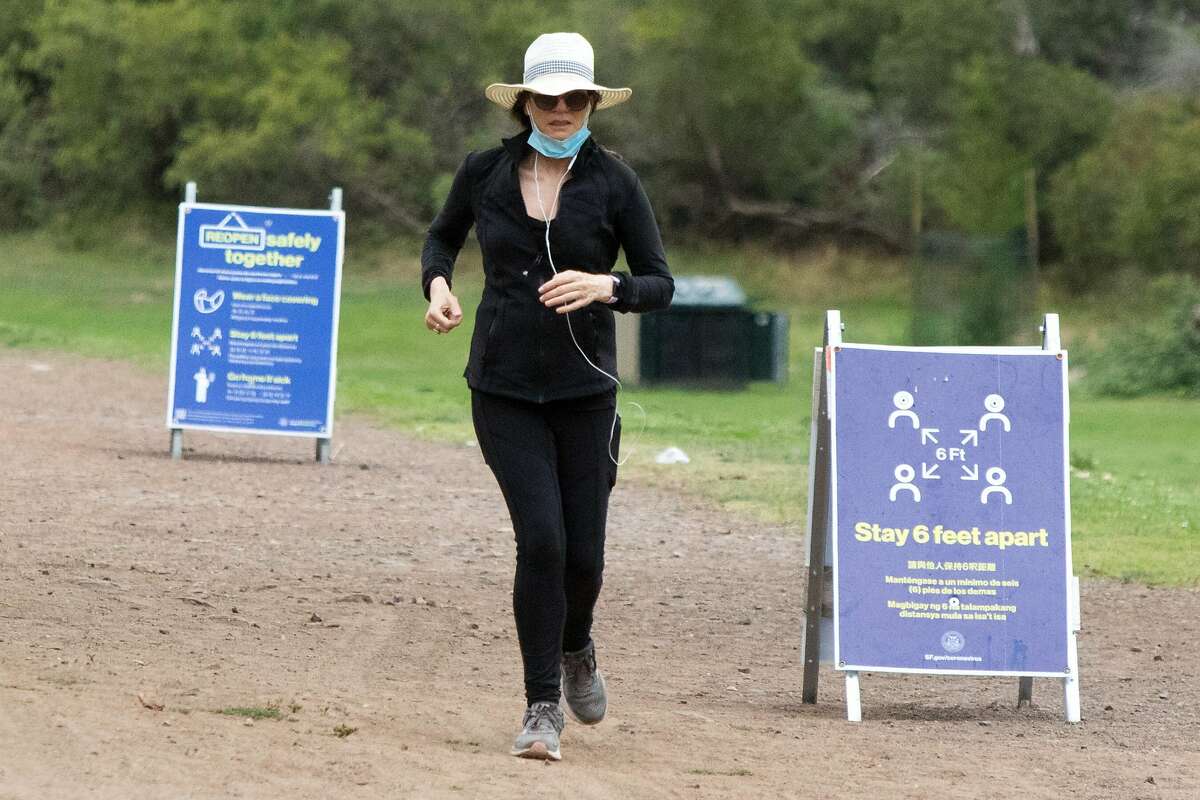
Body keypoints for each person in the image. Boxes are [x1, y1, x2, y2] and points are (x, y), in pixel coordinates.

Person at [420, 31, 673, 761]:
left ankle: (576, 646)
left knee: (584, 559)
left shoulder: (616, 182)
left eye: (573, 98)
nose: (559, 110)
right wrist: (439, 289)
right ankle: (541, 707)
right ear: (525, 102)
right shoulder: (484, 172)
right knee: (542, 541)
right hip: (500, 387)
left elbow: (660, 283)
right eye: (546, 98)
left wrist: (607, 285)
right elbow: (441, 242)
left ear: (592, 103)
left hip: (586, 390)